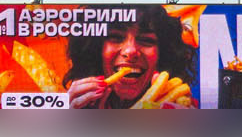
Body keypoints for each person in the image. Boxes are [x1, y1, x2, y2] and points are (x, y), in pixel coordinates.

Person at [67, 10, 195, 108]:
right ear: (95, 49)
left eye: (146, 40)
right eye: (116, 37)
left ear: (163, 54)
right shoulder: (68, 104)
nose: (131, 51)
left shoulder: (183, 106)